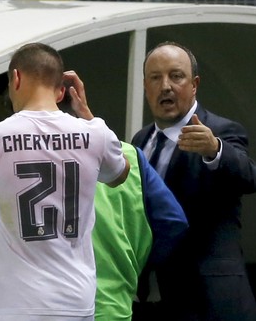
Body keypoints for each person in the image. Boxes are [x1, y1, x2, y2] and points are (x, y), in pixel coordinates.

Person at [0, 42, 130, 320]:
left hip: (18, 304)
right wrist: (88, 117)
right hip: (77, 301)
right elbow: (120, 174)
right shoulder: (97, 134)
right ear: (61, 91)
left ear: (16, 78)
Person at [131, 41, 256, 321]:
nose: (165, 86)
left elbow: (250, 177)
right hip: (153, 298)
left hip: (209, 301)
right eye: (156, 78)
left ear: (194, 85)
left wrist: (215, 150)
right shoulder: (140, 141)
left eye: (176, 76)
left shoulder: (221, 131)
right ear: (145, 87)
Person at [64, 70, 189, 320]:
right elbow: (173, 222)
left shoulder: (28, 155)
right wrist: (134, 263)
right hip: (113, 304)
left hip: (49, 303)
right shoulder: (128, 155)